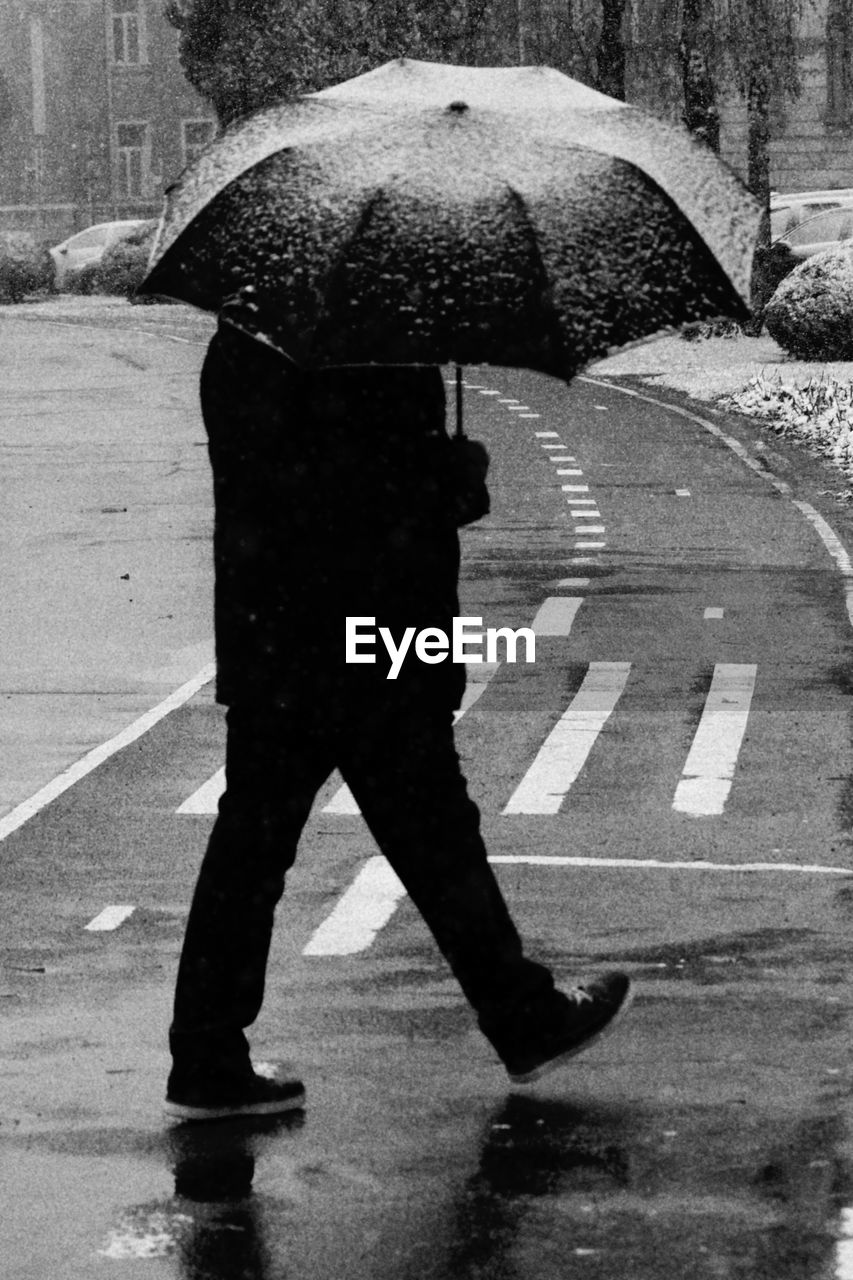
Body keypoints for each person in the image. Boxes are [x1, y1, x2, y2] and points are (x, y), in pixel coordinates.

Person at [164, 301, 632, 1122]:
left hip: (278, 636)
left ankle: (207, 1052)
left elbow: (292, 485)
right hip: (364, 636)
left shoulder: (250, 342)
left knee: (267, 844)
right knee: (420, 829)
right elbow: (349, 495)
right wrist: (445, 479)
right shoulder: (356, 351)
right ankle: (519, 1015)